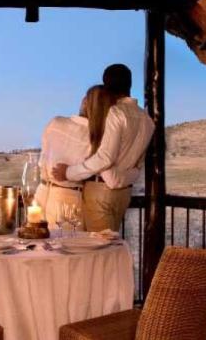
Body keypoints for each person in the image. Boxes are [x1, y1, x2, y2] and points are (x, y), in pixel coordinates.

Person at [53, 64, 154, 232]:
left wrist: (68, 172)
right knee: (110, 244)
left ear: (106, 84)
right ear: (129, 84)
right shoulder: (147, 120)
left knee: (96, 247)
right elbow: (137, 166)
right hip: (123, 194)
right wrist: (119, 179)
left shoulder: (115, 113)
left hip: (100, 191)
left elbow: (105, 157)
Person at [35, 87, 95, 230]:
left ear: (83, 102)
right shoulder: (95, 138)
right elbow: (90, 170)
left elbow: (42, 158)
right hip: (68, 198)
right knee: (66, 247)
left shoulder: (55, 122)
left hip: (41, 192)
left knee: (35, 246)